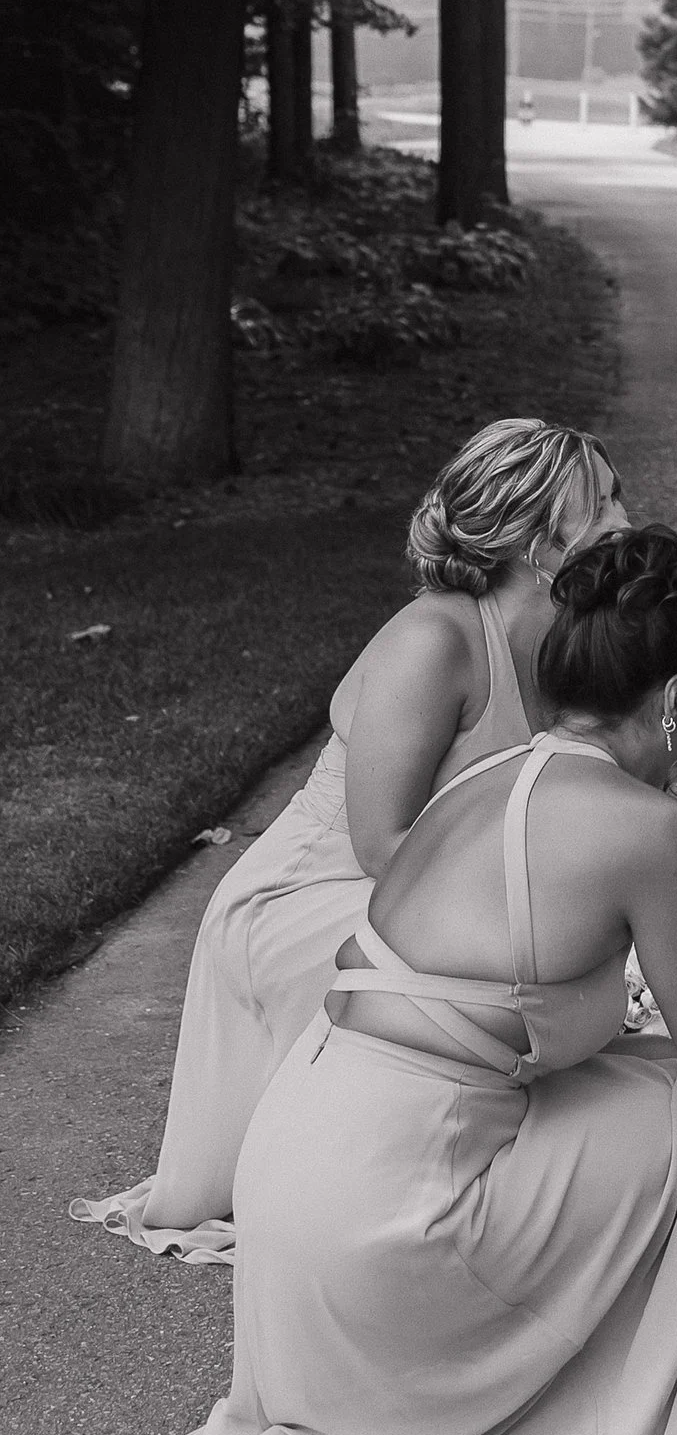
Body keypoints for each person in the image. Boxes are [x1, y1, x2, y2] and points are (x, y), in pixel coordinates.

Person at [114, 527, 677, 1435]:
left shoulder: (480, 784)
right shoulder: (647, 829)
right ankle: (602, 1403)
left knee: (645, 1071)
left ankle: (521, 1364)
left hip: (290, 1213)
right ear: (675, 700)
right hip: (383, 1239)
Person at [75, 417, 623, 1261]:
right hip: (314, 902)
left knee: (579, 992)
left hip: (420, 895)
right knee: (513, 985)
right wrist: (544, 919)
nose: (626, 521)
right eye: (605, 504)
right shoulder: (434, 639)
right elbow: (383, 845)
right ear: (534, 535)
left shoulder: (562, 641)